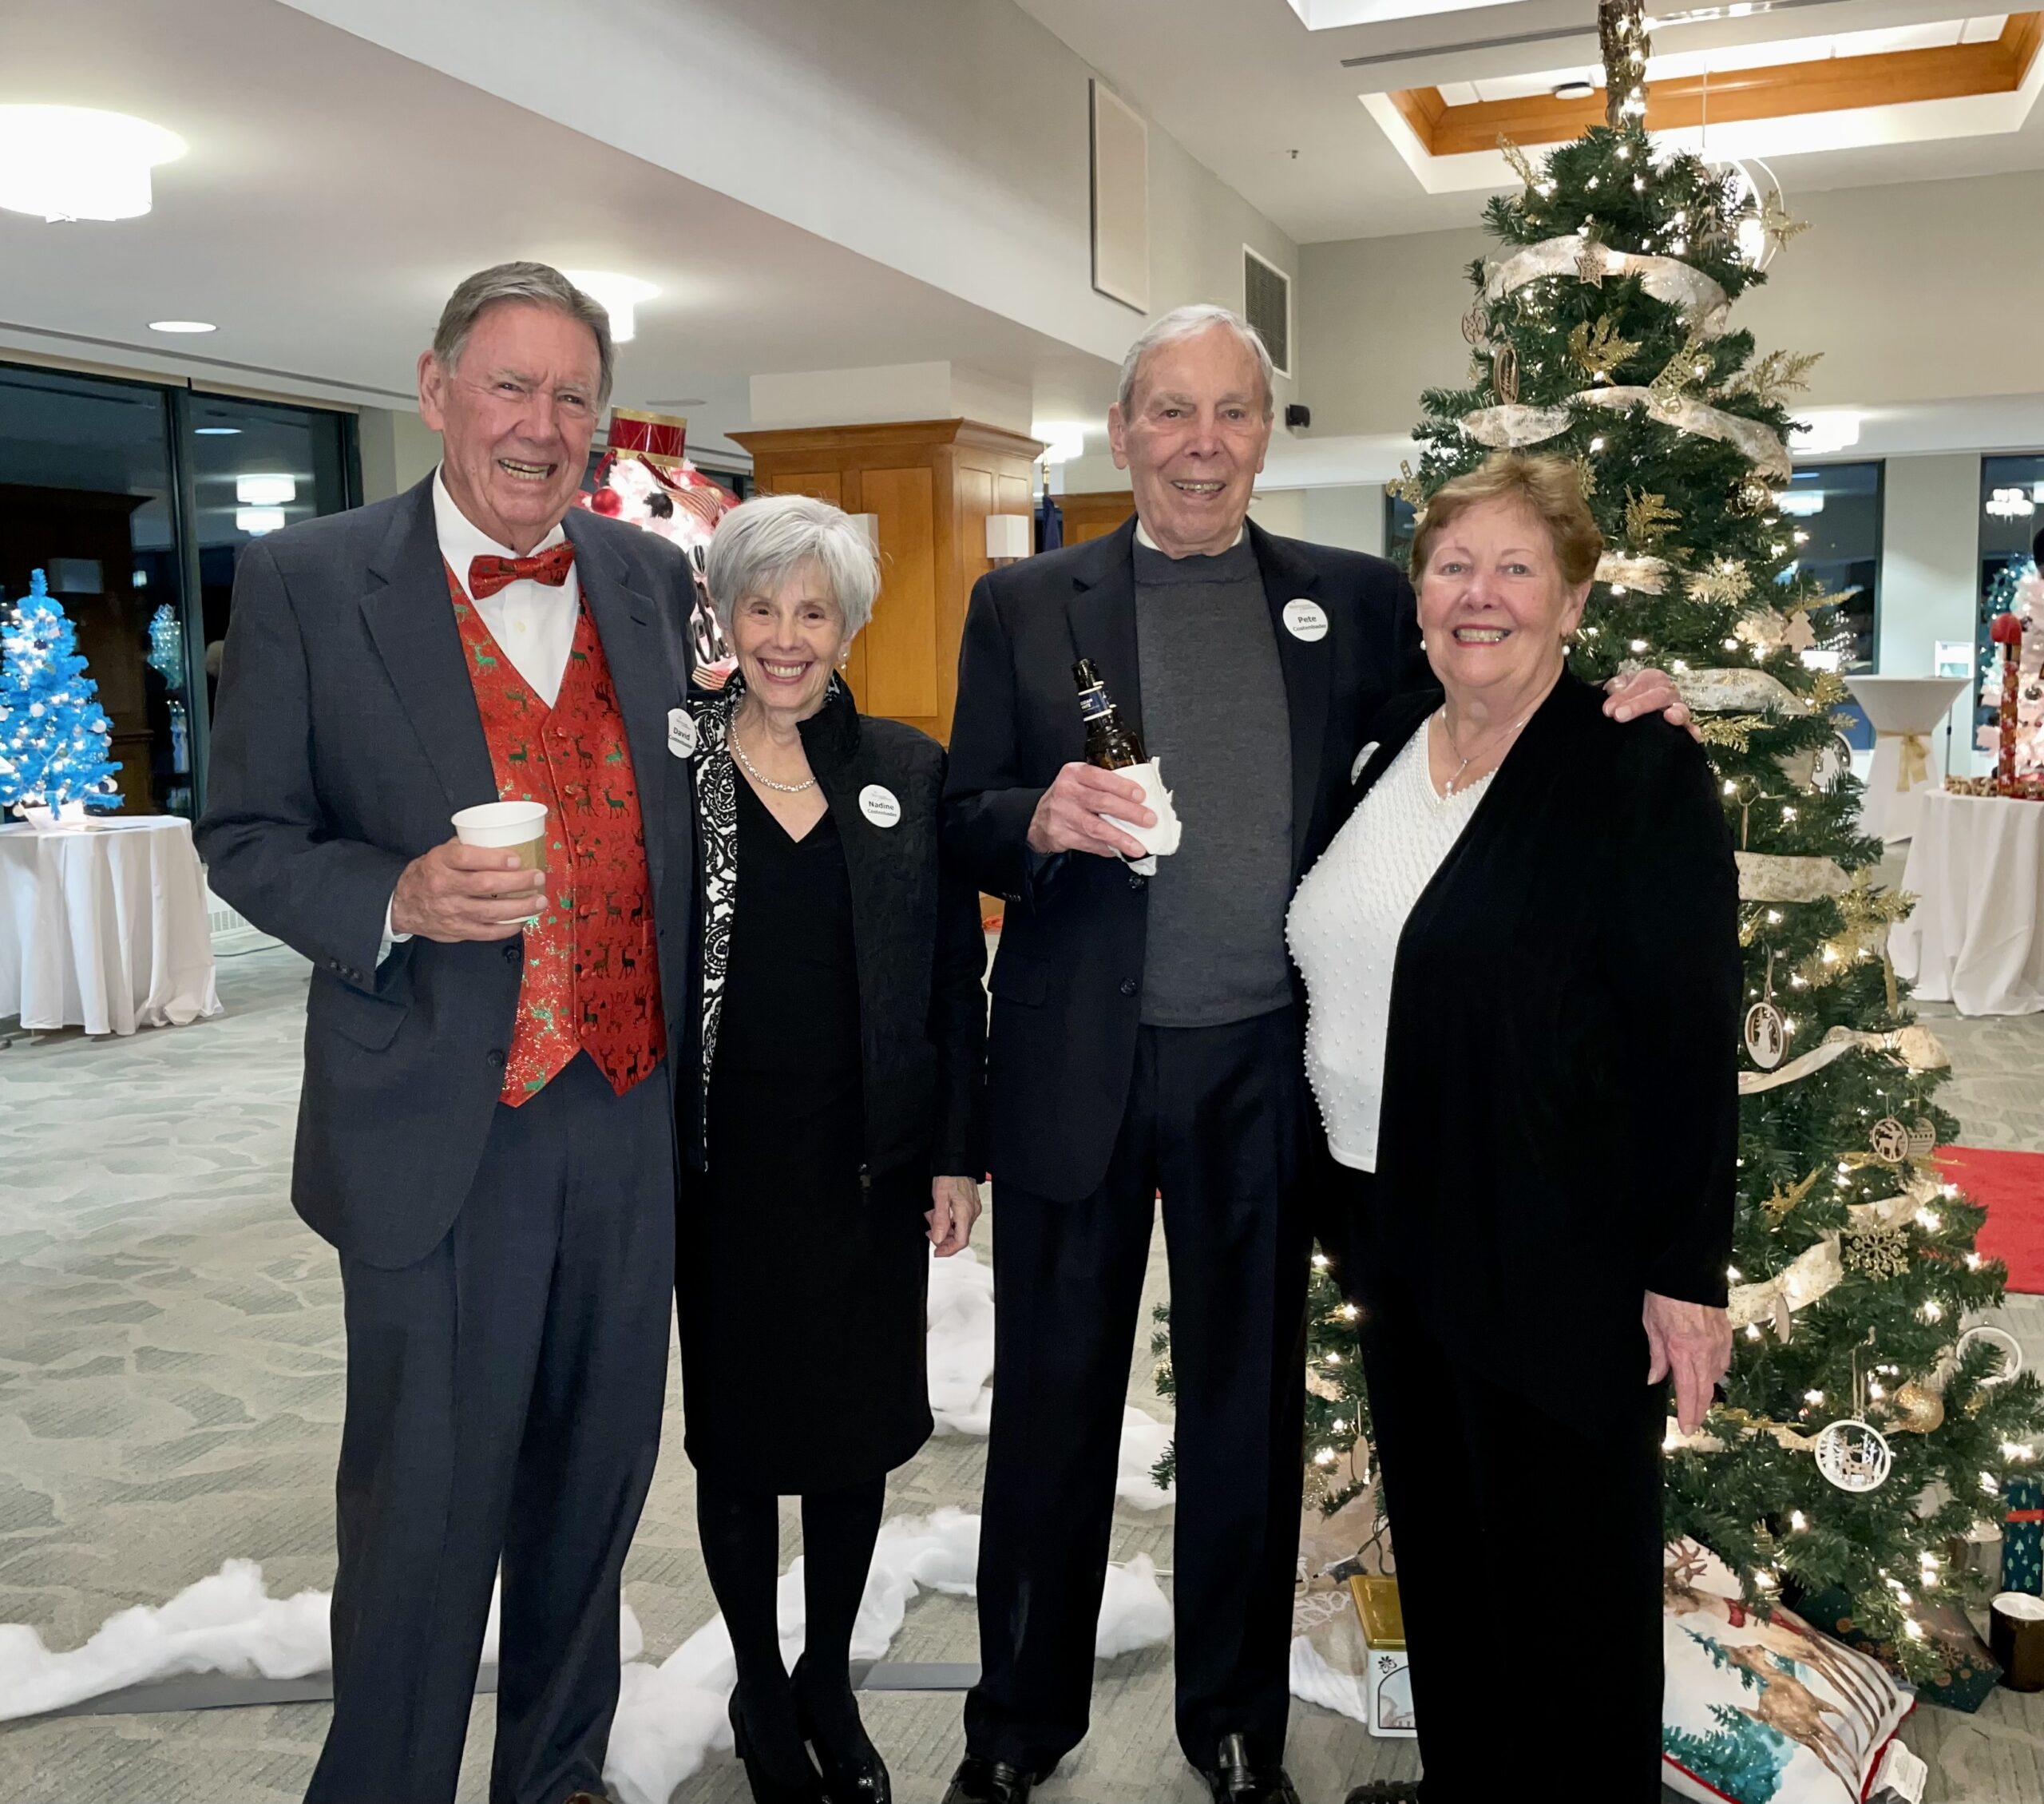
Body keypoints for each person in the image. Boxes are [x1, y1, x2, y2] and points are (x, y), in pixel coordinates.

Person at [940, 307, 1686, 1804]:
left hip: (1258, 1077)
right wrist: (1031, 822)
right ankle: (1018, 1733)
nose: (1202, 444)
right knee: (1049, 1415)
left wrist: (1624, 708)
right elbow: (963, 810)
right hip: (1078, 1070)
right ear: (1124, 430)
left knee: (1243, 1420)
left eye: (1232, 413)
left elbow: (1486, 715)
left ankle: (1233, 1729)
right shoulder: (1024, 602)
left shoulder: (1350, 600)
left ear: (1264, 435)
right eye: (1171, 412)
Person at [198, 263, 699, 1804]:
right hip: (434, 1121)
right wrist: (399, 894)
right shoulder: (308, 579)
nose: (541, 428)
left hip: (626, 1107)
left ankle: (553, 1778)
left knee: (591, 1493)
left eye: (572, 398)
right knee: (423, 1512)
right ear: (435, 391)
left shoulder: (649, 578)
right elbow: (246, 834)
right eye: (509, 387)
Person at [1287, 454, 1740, 1804]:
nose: (1478, 596)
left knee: (1573, 1592)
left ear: (1574, 598)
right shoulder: (1378, 741)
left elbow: (1684, 1044)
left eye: (1516, 568)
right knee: (1450, 1563)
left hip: (1559, 1252)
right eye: (1451, 565)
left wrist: (1685, 1276)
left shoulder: (1631, 769)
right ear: (1417, 590)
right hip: (1398, 1233)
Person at [679, 494, 988, 1804]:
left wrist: (957, 1155)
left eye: (814, 609)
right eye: (763, 607)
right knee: (741, 1445)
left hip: (865, 1167)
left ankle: (825, 1681)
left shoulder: (905, 772)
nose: (787, 636)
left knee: (852, 1443)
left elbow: (946, 987)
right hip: (719, 1171)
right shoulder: (677, 762)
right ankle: (758, 1684)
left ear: (849, 624)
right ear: (727, 618)